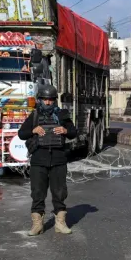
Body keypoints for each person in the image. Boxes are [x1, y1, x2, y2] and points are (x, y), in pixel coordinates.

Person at [18, 84, 78, 236]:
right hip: (39, 160)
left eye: (51, 99)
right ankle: (37, 225)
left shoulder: (62, 114)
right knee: (37, 193)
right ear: (40, 100)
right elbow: (21, 133)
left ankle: (60, 223)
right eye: (45, 99)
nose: (48, 102)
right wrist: (33, 130)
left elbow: (73, 132)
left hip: (58, 160)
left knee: (59, 192)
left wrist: (65, 130)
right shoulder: (35, 115)